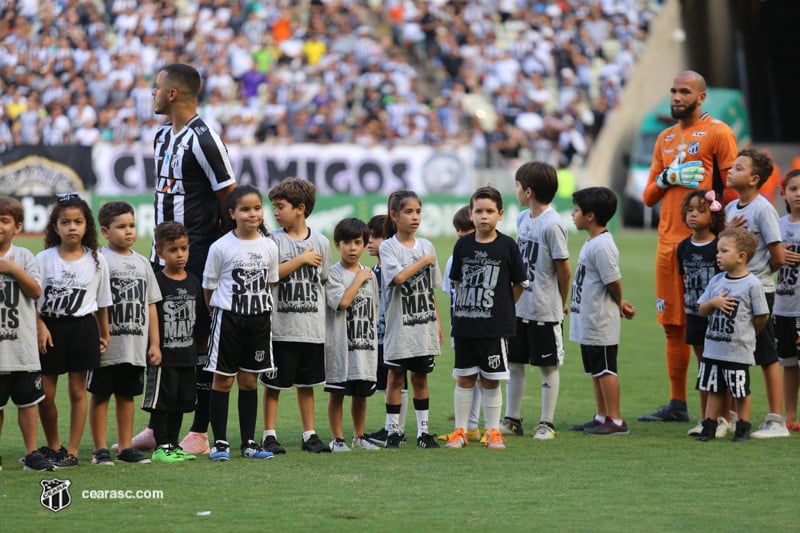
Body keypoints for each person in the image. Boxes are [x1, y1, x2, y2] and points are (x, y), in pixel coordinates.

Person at [144, 63, 237, 456]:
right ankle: (158, 426)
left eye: (155, 87)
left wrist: (211, 249)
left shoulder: (205, 138)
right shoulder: (162, 135)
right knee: (162, 339)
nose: (151, 93)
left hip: (195, 255)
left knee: (197, 339)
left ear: (172, 94)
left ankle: (198, 431)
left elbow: (227, 196)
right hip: (159, 255)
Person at [640, 70, 739, 422]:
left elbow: (733, 186)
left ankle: (720, 406)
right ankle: (677, 403)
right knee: (672, 324)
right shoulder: (664, 138)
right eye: (673, 91)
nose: (677, 97)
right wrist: (667, 178)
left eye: (685, 91)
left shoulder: (718, 133)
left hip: (702, 245)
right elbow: (648, 195)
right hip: (668, 244)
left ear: (701, 97)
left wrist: (713, 206)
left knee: (706, 324)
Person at [445, 187, 527, 451]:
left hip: (494, 329)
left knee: (491, 380)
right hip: (466, 327)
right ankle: (460, 431)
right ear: (470, 214)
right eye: (478, 211)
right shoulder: (462, 245)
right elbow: (457, 283)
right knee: (465, 378)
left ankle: (493, 431)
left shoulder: (507, 246)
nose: (483, 216)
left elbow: (519, 283)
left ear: (500, 214)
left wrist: (502, 307)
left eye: (489, 211)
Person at [36, 193, 112, 467]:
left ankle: (72, 450)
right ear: (55, 227)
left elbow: (103, 300)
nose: (71, 227)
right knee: (45, 395)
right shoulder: (43, 259)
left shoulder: (96, 259)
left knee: (79, 391)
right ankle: (54, 446)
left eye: (78, 222)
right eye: (65, 222)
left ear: (86, 226)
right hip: (50, 328)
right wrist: (40, 326)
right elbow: (31, 299)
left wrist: (104, 333)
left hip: (83, 328)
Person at [204, 185, 279, 461]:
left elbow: (270, 283)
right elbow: (208, 288)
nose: (252, 214)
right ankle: (220, 443)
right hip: (228, 320)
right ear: (232, 213)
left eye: (257, 208)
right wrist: (216, 312)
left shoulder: (269, 246)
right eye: (245, 209)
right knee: (222, 381)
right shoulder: (221, 247)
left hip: (258, 321)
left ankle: (249, 442)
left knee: (249, 381)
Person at [260, 177, 332, 454]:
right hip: (280, 327)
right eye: (274, 207)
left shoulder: (322, 243)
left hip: (311, 327)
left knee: (307, 384)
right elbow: (269, 276)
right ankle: (269, 434)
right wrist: (300, 260)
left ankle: (309, 434)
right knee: (273, 383)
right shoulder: (271, 241)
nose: (275, 213)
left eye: (280, 207)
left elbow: (322, 280)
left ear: (300, 208)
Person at [502, 161, 571, 441]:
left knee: (547, 365)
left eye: (517, 186)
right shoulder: (522, 219)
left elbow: (563, 269)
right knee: (515, 364)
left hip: (545, 308)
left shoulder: (552, 224)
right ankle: (513, 418)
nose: (515, 190)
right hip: (520, 306)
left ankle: (546, 422)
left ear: (528, 191)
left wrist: (561, 302)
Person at [89, 202, 162, 465]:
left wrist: (154, 343)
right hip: (106, 344)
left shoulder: (143, 263)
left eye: (131, 225)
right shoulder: (98, 260)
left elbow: (151, 304)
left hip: (134, 345)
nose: (128, 231)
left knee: (127, 394)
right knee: (100, 394)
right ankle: (100, 449)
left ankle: (125, 446)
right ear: (106, 232)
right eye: (121, 227)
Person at [725, 148, 789, 438]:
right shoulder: (730, 210)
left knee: (766, 354)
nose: (730, 170)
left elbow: (777, 255)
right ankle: (733, 414)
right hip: (733, 290)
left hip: (758, 290)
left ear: (754, 179)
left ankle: (777, 420)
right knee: (735, 351)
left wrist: (759, 278)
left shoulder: (763, 209)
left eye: (738, 168)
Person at [569, 187, 636, 436]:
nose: (572, 214)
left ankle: (616, 420)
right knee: (595, 370)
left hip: (600, 320)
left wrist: (620, 302)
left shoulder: (602, 246)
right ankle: (601, 415)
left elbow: (613, 280)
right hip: (588, 318)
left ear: (590, 216)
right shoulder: (593, 242)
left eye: (576, 210)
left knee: (606, 369)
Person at [379, 190, 443, 449]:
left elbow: (431, 288)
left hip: (423, 325)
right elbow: (397, 278)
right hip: (400, 326)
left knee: (420, 377)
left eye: (418, 211)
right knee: (395, 377)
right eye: (408, 212)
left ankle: (423, 432)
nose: (415, 217)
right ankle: (393, 431)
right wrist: (424, 262)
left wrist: (437, 321)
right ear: (395, 215)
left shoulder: (427, 245)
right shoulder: (388, 247)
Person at [694, 227, 769, 441]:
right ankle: (709, 426)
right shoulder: (717, 281)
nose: (718, 255)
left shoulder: (752, 284)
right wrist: (714, 302)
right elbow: (701, 308)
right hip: (713, 349)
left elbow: (762, 315)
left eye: (724, 251)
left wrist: (748, 334)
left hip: (737, 351)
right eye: (718, 251)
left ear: (741, 257)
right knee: (714, 388)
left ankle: (742, 428)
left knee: (740, 390)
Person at [142, 222, 204, 462]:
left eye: (183, 248)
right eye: (173, 250)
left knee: (181, 401)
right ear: (159, 252)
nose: (180, 254)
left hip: (186, 355)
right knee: (162, 402)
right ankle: (162, 445)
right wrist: (154, 346)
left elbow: (199, 321)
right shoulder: (156, 281)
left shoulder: (194, 282)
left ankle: (174, 443)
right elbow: (151, 317)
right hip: (164, 356)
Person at [0, 196, 54, 471]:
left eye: (4, 220)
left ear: (17, 226)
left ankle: (32, 453)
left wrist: (11, 270)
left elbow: (35, 292)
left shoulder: (23, 257)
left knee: (28, 402)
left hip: (22, 347)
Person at [324, 218, 381, 452]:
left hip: (364, 345)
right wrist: (358, 279)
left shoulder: (371, 276)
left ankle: (359, 436)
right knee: (338, 393)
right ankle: (337, 438)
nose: (353, 248)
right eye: (347, 242)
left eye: (358, 242)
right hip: (340, 346)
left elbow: (375, 308)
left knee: (361, 394)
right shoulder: (334, 274)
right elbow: (342, 302)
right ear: (337, 245)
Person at [677, 190, 728, 438]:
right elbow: (683, 280)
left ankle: (724, 418)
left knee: (721, 366)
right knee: (704, 367)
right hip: (694, 314)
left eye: (701, 210)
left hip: (717, 317)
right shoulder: (683, 247)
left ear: (714, 215)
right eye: (690, 210)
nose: (694, 214)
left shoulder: (720, 245)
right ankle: (706, 417)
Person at [439, 206, 486, 444]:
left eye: (465, 229)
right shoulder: (453, 259)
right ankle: (470, 427)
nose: (460, 233)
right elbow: (452, 297)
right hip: (462, 327)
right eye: (457, 229)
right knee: (467, 376)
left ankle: (478, 426)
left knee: (486, 377)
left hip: (486, 327)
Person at [364, 214, 410, 446]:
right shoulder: (371, 271)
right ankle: (391, 427)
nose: (370, 241)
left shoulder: (395, 271)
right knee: (386, 383)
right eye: (369, 236)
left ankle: (396, 430)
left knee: (399, 380)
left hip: (396, 335)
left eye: (377, 237)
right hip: (376, 338)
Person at [775, 170, 800, 432]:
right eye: (793, 189)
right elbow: (766, 265)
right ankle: (790, 415)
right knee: (789, 364)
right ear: (784, 193)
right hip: (783, 307)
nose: (799, 194)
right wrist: (778, 255)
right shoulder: (779, 226)